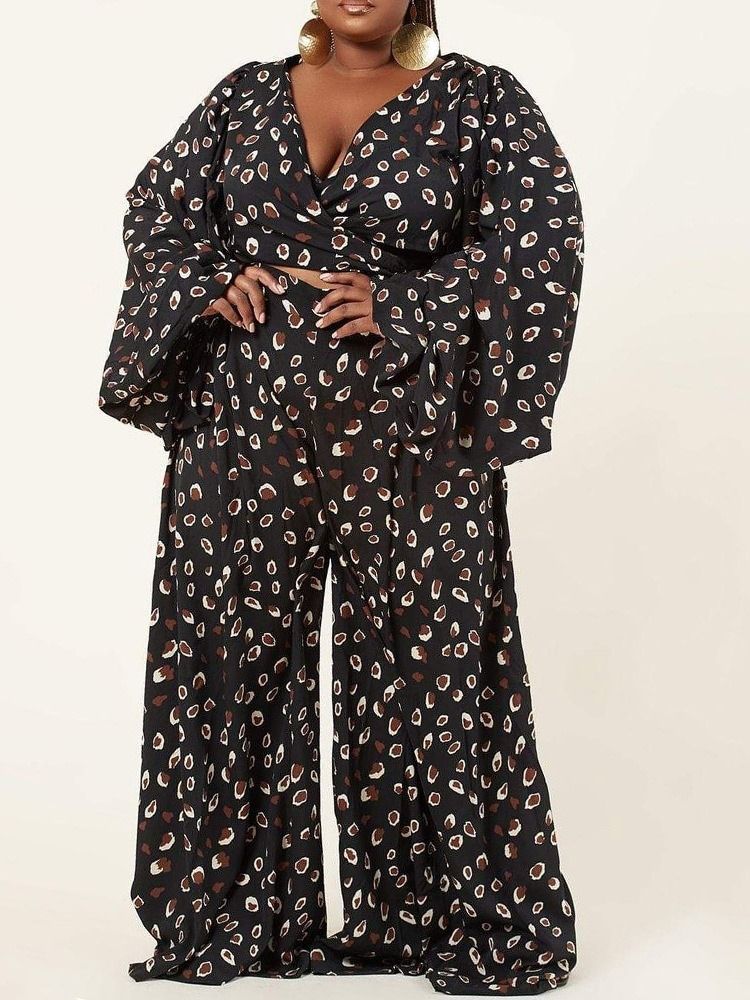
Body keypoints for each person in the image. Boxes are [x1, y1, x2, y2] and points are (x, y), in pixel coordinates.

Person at [97, 0, 585, 994]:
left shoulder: (478, 102)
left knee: (436, 670)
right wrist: (206, 280)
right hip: (241, 426)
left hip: (408, 435)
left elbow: (540, 246)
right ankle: (227, 914)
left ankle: (446, 916)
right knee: (223, 661)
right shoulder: (242, 99)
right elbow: (157, 214)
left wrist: (405, 299)